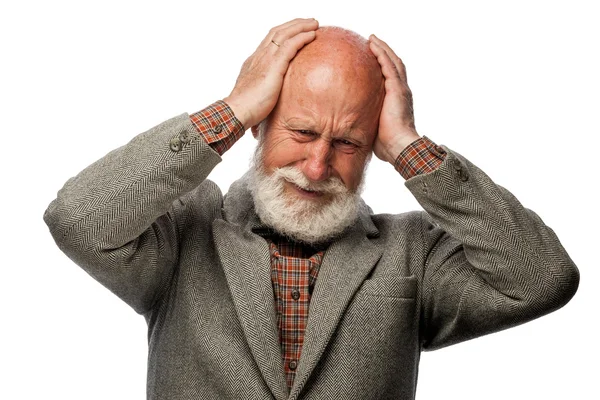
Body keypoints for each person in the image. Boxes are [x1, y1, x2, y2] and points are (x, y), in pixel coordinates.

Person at [44, 18, 579, 400]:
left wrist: (412, 149)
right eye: (300, 132)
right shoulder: (186, 230)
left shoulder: (412, 252)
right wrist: (228, 110)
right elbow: (78, 220)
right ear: (259, 124)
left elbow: (542, 279)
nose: (318, 166)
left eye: (348, 143)